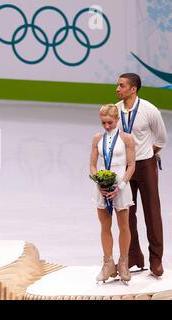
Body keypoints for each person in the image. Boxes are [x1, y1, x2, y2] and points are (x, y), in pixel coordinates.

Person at [116, 73, 168, 277]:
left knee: (152, 213)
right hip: (123, 167)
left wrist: (146, 154)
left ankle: (156, 260)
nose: (117, 89)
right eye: (117, 85)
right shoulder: (115, 109)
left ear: (133, 89)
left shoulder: (149, 110)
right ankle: (133, 257)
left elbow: (161, 138)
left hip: (146, 165)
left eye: (121, 86)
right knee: (127, 213)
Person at [90, 104, 135, 284]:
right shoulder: (97, 138)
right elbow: (93, 165)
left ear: (117, 120)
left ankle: (123, 263)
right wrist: (99, 182)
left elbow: (131, 165)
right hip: (103, 186)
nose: (107, 126)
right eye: (103, 123)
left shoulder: (127, 139)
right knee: (105, 226)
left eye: (110, 122)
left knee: (124, 226)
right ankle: (108, 263)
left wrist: (121, 185)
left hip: (121, 186)